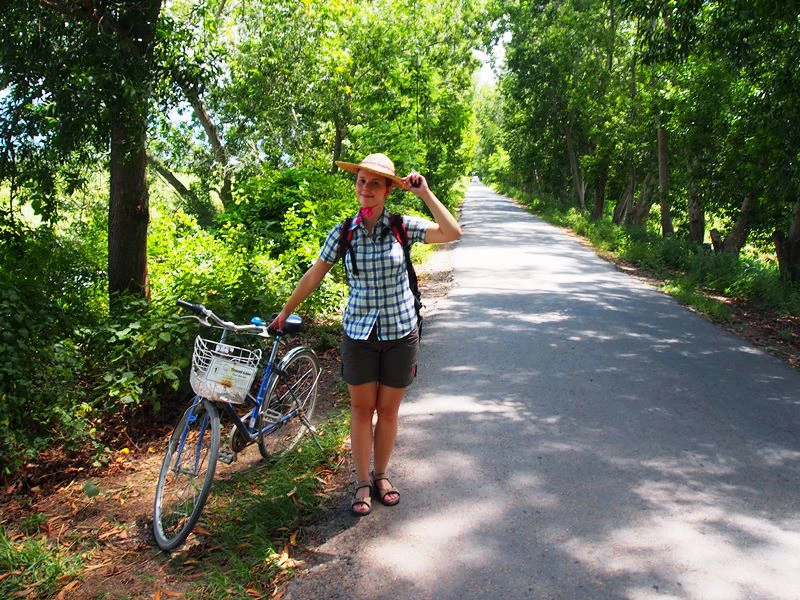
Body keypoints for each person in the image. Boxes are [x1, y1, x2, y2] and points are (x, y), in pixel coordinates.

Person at [268, 152, 461, 516]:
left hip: (400, 332)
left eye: (375, 183)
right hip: (358, 333)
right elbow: (315, 274)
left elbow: (452, 232)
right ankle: (360, 481)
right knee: (361, 408)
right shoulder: (344, 232)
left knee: (387, 411)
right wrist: (285, 311)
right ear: (355, 185)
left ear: (388, 189)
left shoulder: (402, 226)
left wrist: (425, 194)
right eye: (361, 181)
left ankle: (381, 475)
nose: (366, 188)